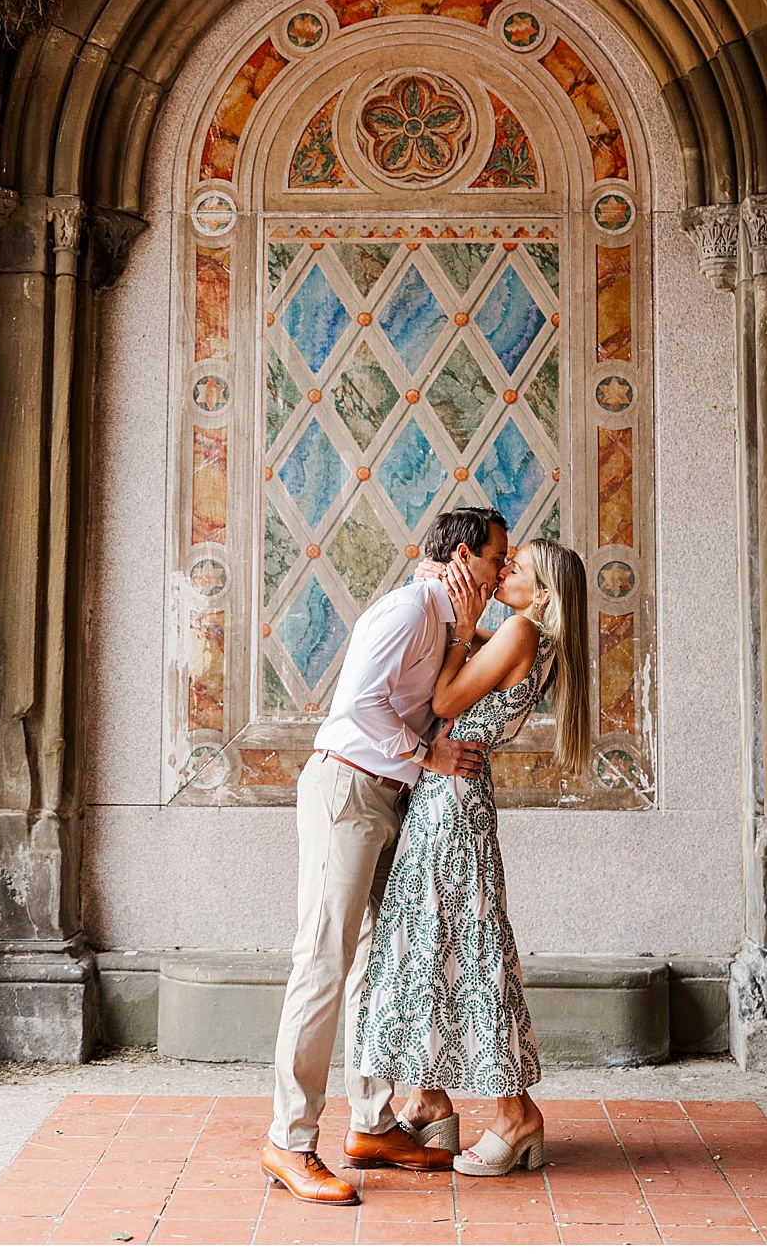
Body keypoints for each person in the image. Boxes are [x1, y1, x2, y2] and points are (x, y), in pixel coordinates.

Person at [259, 506, 505, 1207]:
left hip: (386, 799)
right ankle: (288, 1139)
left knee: (377, 958)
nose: (503, 570)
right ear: (463, 557)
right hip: (347, 790)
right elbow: (357, 707)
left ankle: (370, 1122)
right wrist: (429, 751)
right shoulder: (405, 610)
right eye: (497, 557)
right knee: (323, 959)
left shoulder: (443, 616)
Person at [354, 537, 590, 1178]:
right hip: (451, 792)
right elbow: (465, 658)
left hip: (452, 797)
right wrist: (446, 599)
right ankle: (430, 1100)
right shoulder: (523, 634)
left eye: (517, 568)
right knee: (436, 940)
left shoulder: (521, 630)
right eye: (502, 561)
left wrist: (459, 629)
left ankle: (517, 1116)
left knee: (466, 943)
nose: (505, 571)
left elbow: (443, 702)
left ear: (542, 593)